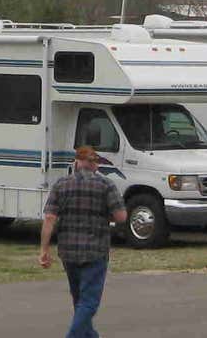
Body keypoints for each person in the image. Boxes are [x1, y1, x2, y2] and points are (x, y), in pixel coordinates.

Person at [39, 145, 127, 338]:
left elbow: (49, 218)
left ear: (76, 163)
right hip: (96, 251)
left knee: (79, 301)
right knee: (88, 303)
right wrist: (106, 215)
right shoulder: (106, 185)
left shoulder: (61, 184)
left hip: (69, 252)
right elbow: (121, 216)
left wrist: (44, 250)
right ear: (95, 165)